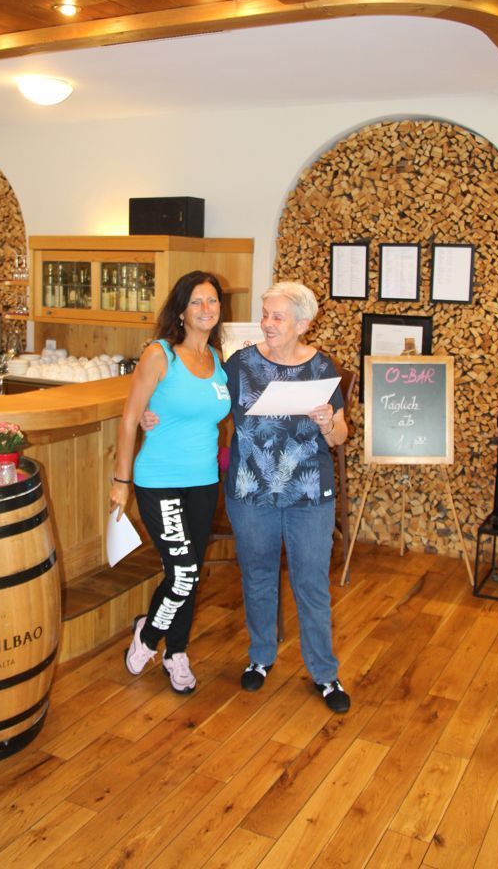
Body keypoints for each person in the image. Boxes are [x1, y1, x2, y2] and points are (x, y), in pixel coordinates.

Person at [223, 281, 350, 712]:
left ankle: (325, 674)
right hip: (250, 491)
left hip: (309, 493)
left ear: (302, 324)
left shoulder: (322, 367)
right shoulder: (240, 364)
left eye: (277, 317)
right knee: (257, 575)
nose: (267, 324)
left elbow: (340, 435)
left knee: (311, 582)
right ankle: (260, 657)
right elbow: (207, 404)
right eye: (265, 315)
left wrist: (327, 422)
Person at [109, 270, 231, 694]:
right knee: (182, 572)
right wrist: (121, 480)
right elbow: (129, 419)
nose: (205, 309)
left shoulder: (217, 360)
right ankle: (147, 638)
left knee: (189, 573)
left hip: (204, 481)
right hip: (159, 479)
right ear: (181, 311)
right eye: (196, 301)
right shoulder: (160, 355)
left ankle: (176, 651)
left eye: (212, 301)